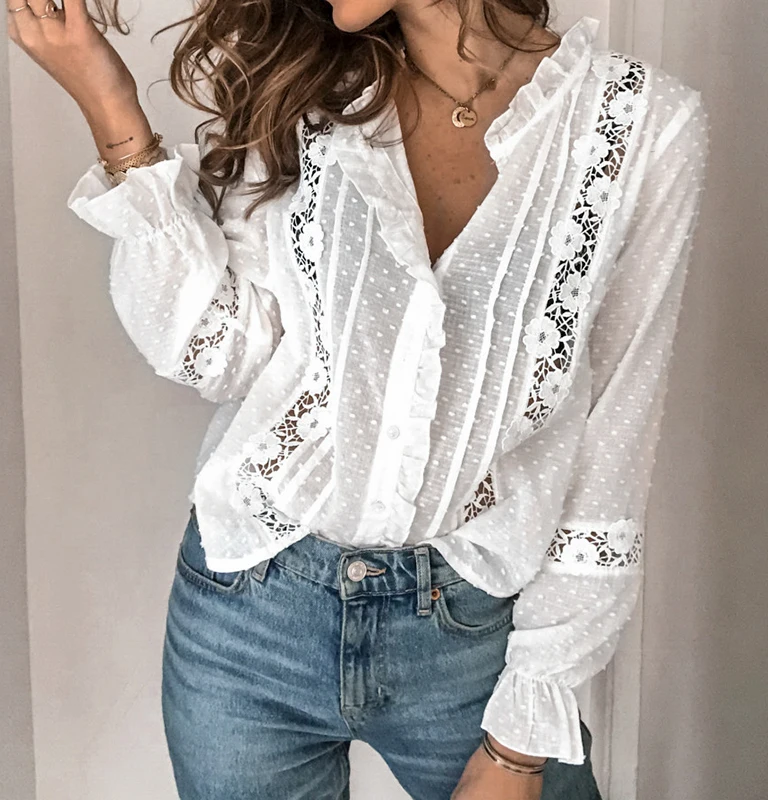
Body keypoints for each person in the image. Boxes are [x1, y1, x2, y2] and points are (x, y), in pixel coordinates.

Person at [7, 0, 710, 797]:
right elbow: (218, 352)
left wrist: (520, 741)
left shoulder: (643, 126)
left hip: (468, 631)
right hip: (249, 610)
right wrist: (112, 111)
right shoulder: (309, 90)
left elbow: (613, 442)